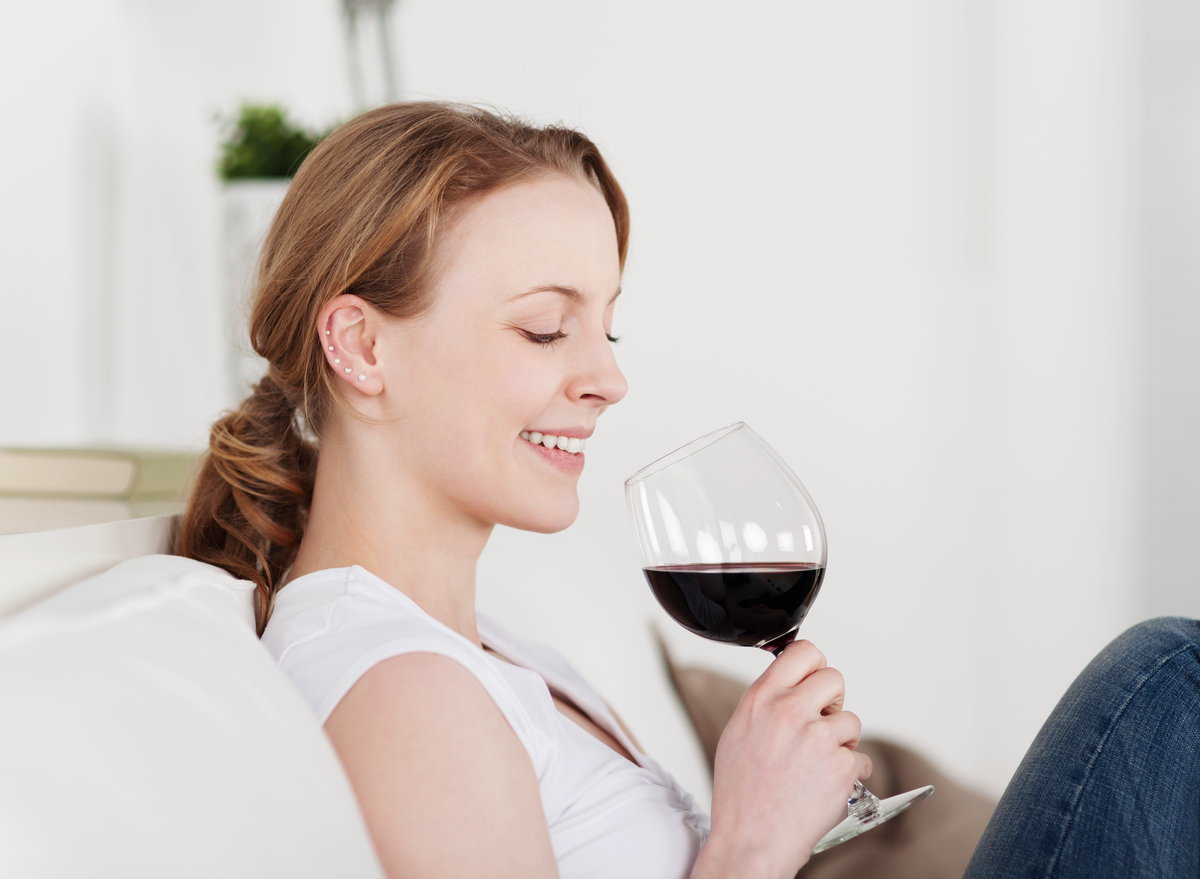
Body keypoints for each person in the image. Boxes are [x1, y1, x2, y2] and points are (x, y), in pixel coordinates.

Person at [179, 102, 1200, 879]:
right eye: (545, 327)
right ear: (362, 346)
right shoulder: (405, 698)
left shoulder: (488, 653)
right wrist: (751, 842)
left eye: (605, 328)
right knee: (1166, 689)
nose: (607, 378)